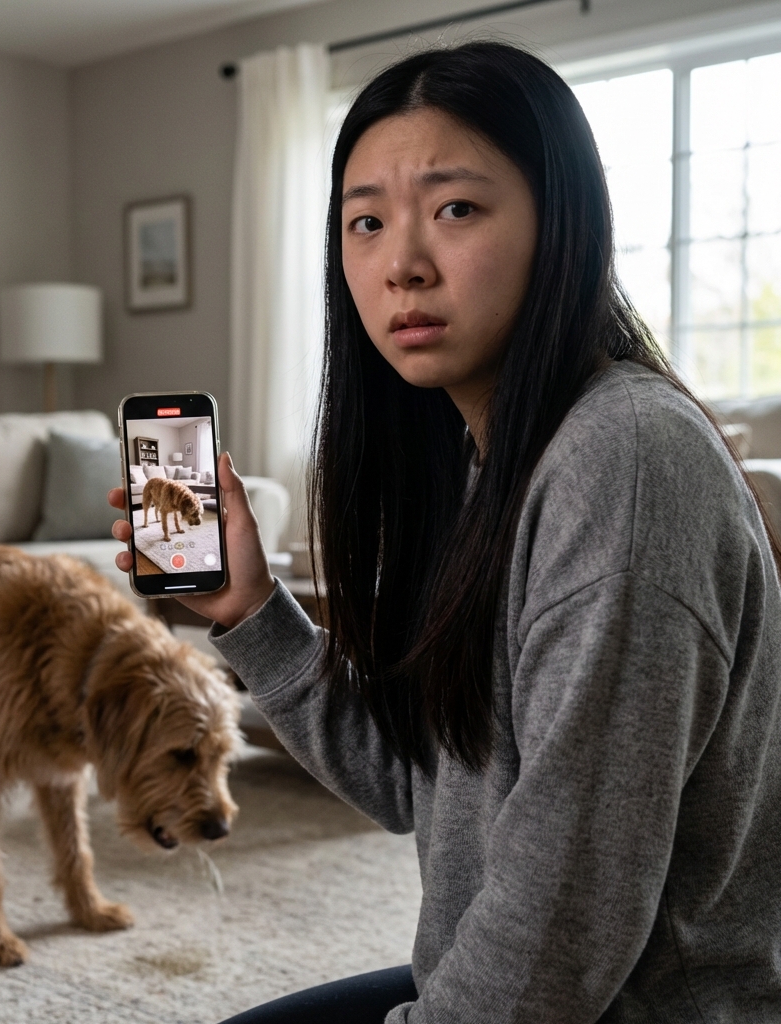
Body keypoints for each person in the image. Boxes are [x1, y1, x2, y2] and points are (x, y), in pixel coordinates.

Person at [108, 41, 781, 1023]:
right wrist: (250, 606)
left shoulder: (625, 461)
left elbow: (561, 936)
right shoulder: (482, 461)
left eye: (456, 208)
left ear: (563, 224)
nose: (402, 265)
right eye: (366, 222)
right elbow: (412, 783)